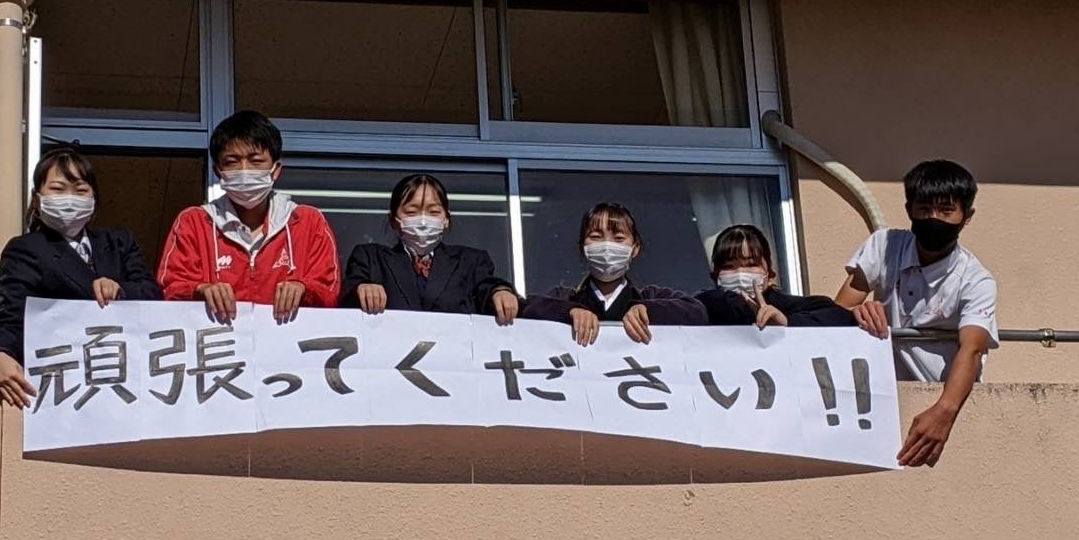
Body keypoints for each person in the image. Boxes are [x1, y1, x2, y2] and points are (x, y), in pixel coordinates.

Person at [835, 159, 998, 467]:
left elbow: (973, 350)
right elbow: (838, 312)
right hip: (882, 395)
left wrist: (944, 411)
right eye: (924, 208)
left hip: (941, 397)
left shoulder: (976, 280)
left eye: (946, 210)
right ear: (909, 209)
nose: (933, 218)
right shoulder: (884, 246)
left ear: (967, 216)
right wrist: (858, 311)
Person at [0, 146, 162, 408]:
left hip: (122, 380)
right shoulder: (26, 249)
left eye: (80, 190)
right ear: (37, 198)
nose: (69, 199)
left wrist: (120, 290)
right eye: (58, 189)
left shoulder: (119, 242)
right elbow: (7, 315)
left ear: (94, 199)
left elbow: (153, 294)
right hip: (63, 390)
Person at [157, 110, 340, 323]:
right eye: (232, 162)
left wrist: (304, 289)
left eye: (256, 161)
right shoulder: (193, 223)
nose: (244, 170)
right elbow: (170, 289)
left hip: (287, 341)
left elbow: (330, 291)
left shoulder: (309, 222)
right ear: (218, 171)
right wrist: (200, 290)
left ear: (276, 169)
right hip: (219, 342)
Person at [342, 173, 522, 323]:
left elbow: (487, 286)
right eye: (411, 212)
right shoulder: (370, 258)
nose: (423, 221)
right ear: (393, 220)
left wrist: (500, 293)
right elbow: (346, 297)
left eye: (434, 212)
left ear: (446, 219)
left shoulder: (471, 262)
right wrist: (362, 289)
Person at [522, 202, 707, 346]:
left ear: (635, 248)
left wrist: (647, 309)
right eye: (596, 237)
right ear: (582, 248)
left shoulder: (649, 296)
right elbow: (527, 308)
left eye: (618, 238)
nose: (607, 246)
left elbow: (696, 311)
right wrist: (568, 311)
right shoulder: (565, 297)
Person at [696, 224, 858, 329]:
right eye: (728, 267)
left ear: (770, 276)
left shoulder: (791, 306)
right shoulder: (701, 309)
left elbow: (840, 317)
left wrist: (787, 322)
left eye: (751, 264)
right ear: (715, 277)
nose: (740, 273)